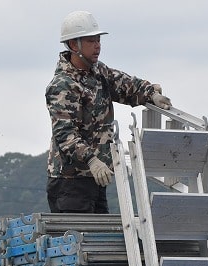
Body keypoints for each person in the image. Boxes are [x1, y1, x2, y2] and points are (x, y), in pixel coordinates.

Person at [46, 10, 172, 214]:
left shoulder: (98, 73)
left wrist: (150, 93)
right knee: (83, 242)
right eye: (90, 41)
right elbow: (65, 135)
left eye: (98, 40)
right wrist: (91, 159)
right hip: (71, 182)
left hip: (96, 178)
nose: (97, 46)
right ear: (73, 45)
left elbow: (126, 84)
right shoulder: (63, 85)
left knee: (98, 240)